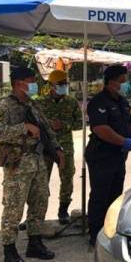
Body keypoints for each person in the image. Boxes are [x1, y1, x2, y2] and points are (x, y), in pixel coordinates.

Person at [0, 66, 65, 262]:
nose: (33, 84)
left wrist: (57, 148)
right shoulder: (4, 105)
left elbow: (46, 128)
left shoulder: (33, 104)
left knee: (40, 202)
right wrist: (23, 128)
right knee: (14, 207)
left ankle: (34, 243)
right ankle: (9, 249)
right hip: (18, 164)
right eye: (30, 80)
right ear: (18, 83)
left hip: (38, 161)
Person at [85, 65, 131, 246]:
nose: (126, 84)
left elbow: (130, 121)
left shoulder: (122, 101)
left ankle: (110, 230)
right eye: (123, 80)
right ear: (112, 81)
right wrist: (123, 141)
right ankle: (95, 233)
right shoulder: (99, 102)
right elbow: (101, 129)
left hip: (118, 155)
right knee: (100, 194)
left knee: (115, 195)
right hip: (102, 155)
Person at [38, 70, 82, 224]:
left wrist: (63, 125)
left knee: (67, 179)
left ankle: (63, 211)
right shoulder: (40, 103)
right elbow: (36, 125)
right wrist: (49, 126)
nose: (64, 86)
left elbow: (80, 123)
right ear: (51, 85)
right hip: (46, 148)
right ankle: (36, 215)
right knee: (41, 182)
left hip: (65, 147)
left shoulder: (71, 102)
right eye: (60, 84)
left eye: (65, 83)